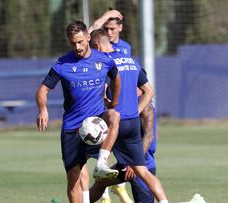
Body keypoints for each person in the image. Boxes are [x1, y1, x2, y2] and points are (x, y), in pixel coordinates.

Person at [35, 21, 122, 203]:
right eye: (73, 43)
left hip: (97, 124)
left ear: (88, 38)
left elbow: (116, 77)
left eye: (81, 42)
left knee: (114, 115)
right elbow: (42, 90)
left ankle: (101, 164)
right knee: (73, 178)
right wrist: (43, 109)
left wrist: (113, 101)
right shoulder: (62, 64)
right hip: (73, 129)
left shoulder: (104, 60)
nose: (78, 47)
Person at [88, 29, 169, 203]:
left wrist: (106, 102)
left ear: (96, 46)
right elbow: (149, 91)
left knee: (79, 157)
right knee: (139, 173)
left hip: (115, 124)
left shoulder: (104, 62)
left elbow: (100, 91)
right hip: (131, 124)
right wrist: (135, 111)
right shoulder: (131, 60)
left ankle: (91, 179)